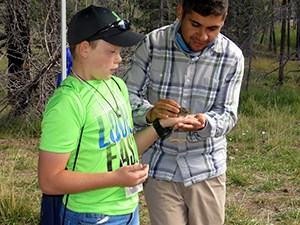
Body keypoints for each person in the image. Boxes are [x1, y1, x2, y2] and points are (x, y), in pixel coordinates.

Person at [38, 5, 201, 225]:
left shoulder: (116, 86)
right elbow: (50, 181)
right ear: (84, 49)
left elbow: (126, 146)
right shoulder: (67, 103)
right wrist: (115, 178)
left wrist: (162, 125)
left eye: (119, 52)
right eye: (111, 51)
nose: (119, 60)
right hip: (90, 215)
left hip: (128, 210)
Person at [122, 0, 244, 224]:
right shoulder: (153, 44)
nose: (203, 36)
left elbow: (228, 113)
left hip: (206, 168)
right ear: (180, 12)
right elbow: (124, 97)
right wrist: (150, 113)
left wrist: (205, 122)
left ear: (223, 21)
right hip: (160, 164)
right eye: (195, 24)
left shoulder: (232, 57)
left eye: (212, 29)